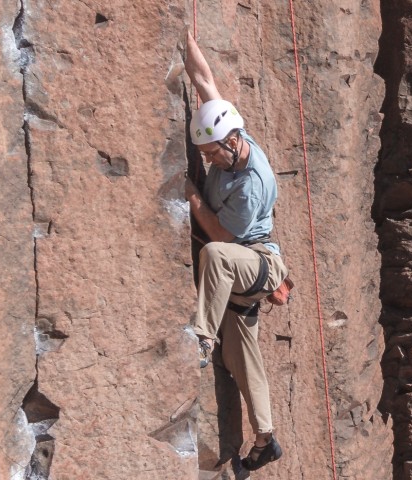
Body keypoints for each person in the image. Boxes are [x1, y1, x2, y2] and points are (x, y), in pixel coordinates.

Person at [183, 25, 286, 471]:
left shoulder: (252, 186)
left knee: (215, 256)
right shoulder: (228, 132)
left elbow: (223, 240)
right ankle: (265, 438)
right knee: (240, 356)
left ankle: (201, 339)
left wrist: (193, 200)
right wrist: (184, 39)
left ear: (231, 142)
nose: (207, 160)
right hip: (244, 275)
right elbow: (205, 81)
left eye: (211, 155)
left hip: (258, 264)